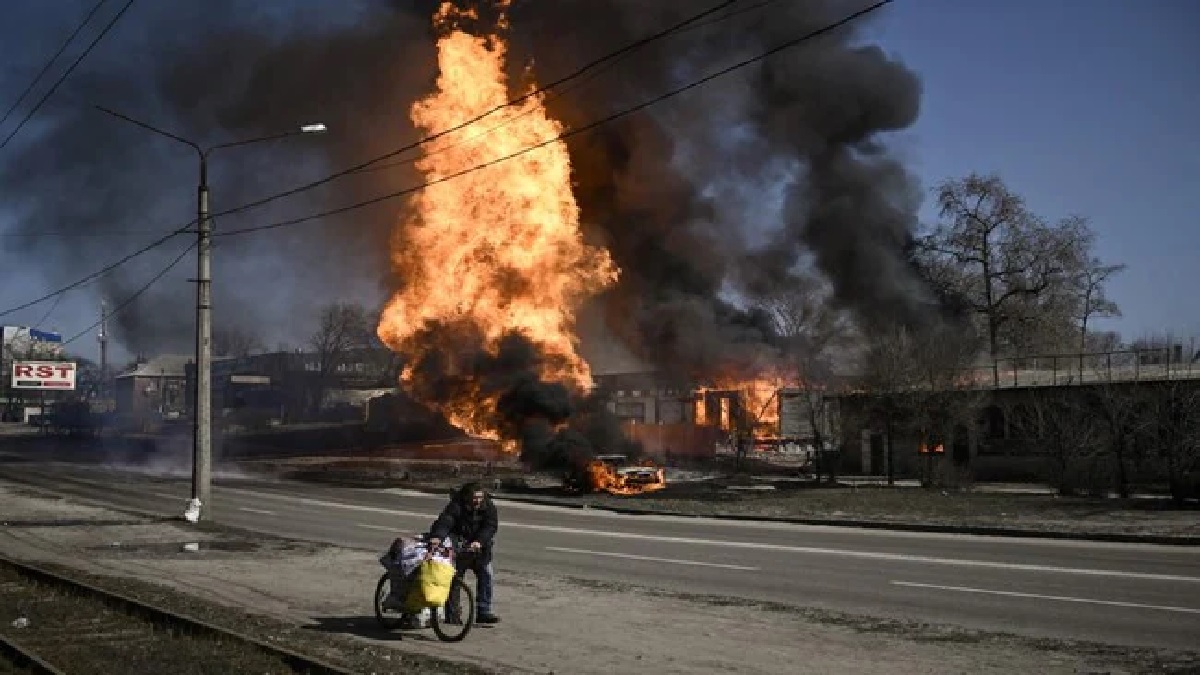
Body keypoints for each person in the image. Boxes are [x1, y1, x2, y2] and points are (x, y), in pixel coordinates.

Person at [427, 481, 500, 624]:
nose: (478, 501)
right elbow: (446, 521)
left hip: (479, 549)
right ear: (467, 497)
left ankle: (484, 611)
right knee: (455, 579)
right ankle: (453, 614)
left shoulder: (489, 506)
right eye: (474, 498)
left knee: (486, 574)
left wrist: (479, 541)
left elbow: (490, 526)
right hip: (459, 547)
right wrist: (437, 537)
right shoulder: (456, 505)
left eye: (480, 497)